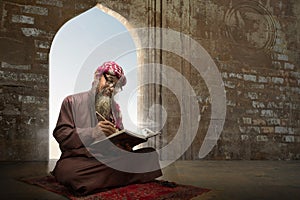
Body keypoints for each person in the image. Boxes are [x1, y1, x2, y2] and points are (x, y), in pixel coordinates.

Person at [51, 61, 162, 196]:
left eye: (116, 86)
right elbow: (62, 135)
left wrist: (125, 144)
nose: (111, 88)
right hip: (81, 160)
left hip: (110, 158)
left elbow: (119, 135)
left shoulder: (115, 110)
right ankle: (122, 176)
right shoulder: (72, 102)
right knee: (72, 173)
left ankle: (104, 179)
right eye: (109, 81)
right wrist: (93, 132)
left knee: (150, 155)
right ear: (97, 77)